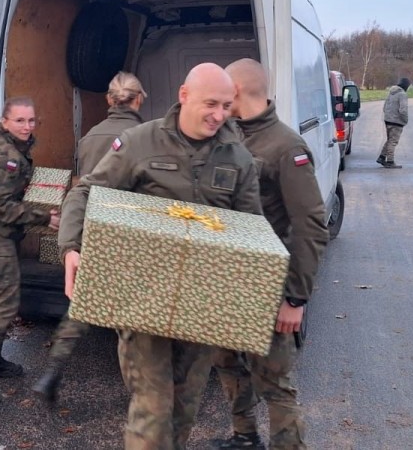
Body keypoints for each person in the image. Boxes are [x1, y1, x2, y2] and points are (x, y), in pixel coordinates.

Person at [58, 63, 263, 449]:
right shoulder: (139, 142)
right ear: (184, 96)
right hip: (143, 297)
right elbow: (86, 192)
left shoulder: (238, 158)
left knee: (183, 411)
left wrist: (248, 302)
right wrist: (72, 247)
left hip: (201, 307)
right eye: (210, 104)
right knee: (152, 410)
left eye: (226, 105)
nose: (219, 115)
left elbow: (251, 232)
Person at [211, 58, 330, 450]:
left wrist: (295, 298)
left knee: (274, 382)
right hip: (227, 282)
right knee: (228, 365)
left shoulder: (285, 146)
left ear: (238, 91)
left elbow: (311, 226)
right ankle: (244, 437)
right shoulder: (225, 138)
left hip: (269, 287)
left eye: (223, 93)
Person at [33, 71, 147, 404]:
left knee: (81, 303)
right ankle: (141, 394)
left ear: (108, 100)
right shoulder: (144, 137)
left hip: (93, 228)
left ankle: (53, 371)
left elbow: (81, 184)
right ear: (139, 99)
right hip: (128, 232)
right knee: (132, 313)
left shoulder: (90, 136)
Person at [0, 96, 60, 402]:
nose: (27, 126)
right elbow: (0, 208)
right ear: (5, 122)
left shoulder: (15, 150)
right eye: (19, 120)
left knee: (6, 298)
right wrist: (45, 216)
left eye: (31, 120)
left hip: (3, 234)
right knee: (7, 302)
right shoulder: (4, 157)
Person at [379, 77, 410, 168]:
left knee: (389, 140)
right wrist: (405, 120)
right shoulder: (402, 95)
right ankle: (390, 161)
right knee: (393, 142)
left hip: (388, 120)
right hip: (397, 121)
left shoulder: (391, 93)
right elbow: (403, 110)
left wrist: (388, 116)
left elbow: (384, 107)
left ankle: (382, 157)